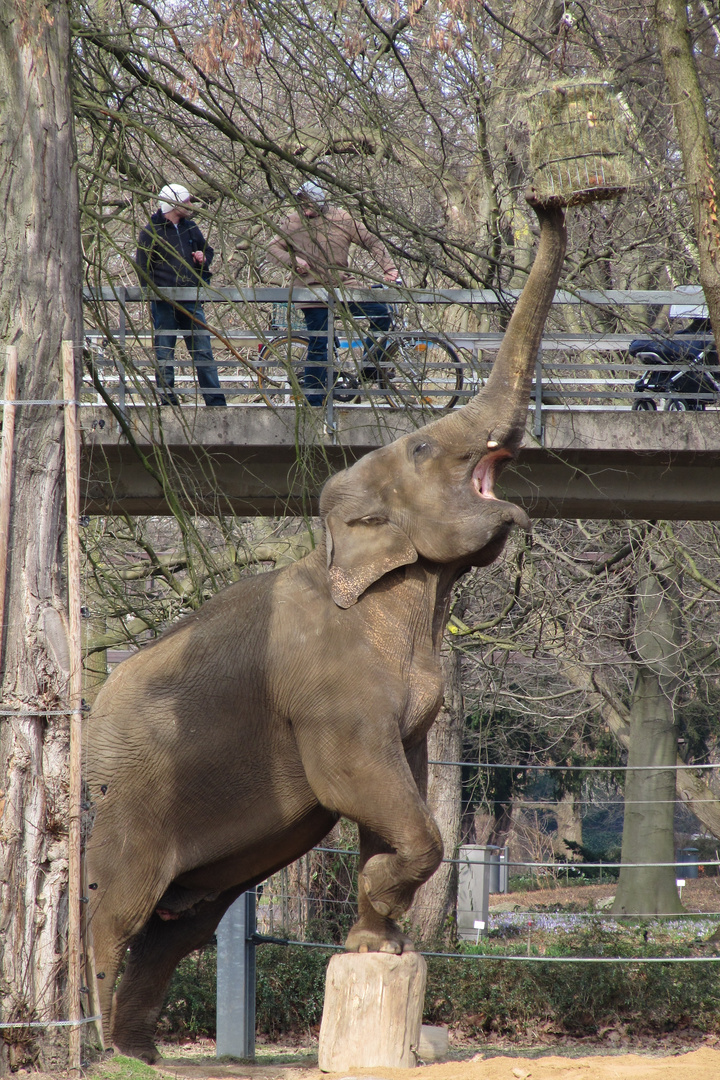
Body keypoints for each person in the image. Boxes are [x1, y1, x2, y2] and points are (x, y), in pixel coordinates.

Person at [267, 181, 400, 405]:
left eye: (307, 201)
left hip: (343, 286)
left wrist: (389, 268)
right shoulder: (292, 222)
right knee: (320, 341)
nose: (303, 206)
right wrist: (293, 260)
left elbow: (370, 240)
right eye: (300, 201)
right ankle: (315, 402)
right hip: (311, 290)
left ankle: (369, 367)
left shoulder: (342, 219)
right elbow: (271, 248)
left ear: (319, 200)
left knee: (382, 314)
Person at [136, 183, 226, 406]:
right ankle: (167, 401)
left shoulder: (190, 228)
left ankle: (215, 401)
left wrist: (203, 258)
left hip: (191, 299)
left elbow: (208, 251)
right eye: (186, 201)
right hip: (164, 301)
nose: (189, 205)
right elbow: (142, 268)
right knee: (165, 352)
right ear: (173, 204)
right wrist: (153, 296)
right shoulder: (150, 232)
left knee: (203, 351)